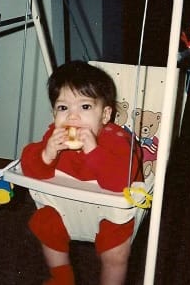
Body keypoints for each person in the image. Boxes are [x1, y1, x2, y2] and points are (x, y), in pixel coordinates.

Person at [20, 60, 143, 285]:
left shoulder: (117, 141)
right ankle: (62, 277)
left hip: (109, 212)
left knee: (116, 253)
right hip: (66, 208)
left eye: (85, 107)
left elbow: (121, 180)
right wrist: (46, 154)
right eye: (63, 108)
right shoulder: (54, 138)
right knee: (45, 222)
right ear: (53, 113)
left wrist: (94, 152)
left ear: (105, 116)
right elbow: (27, 164)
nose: (72, 117)